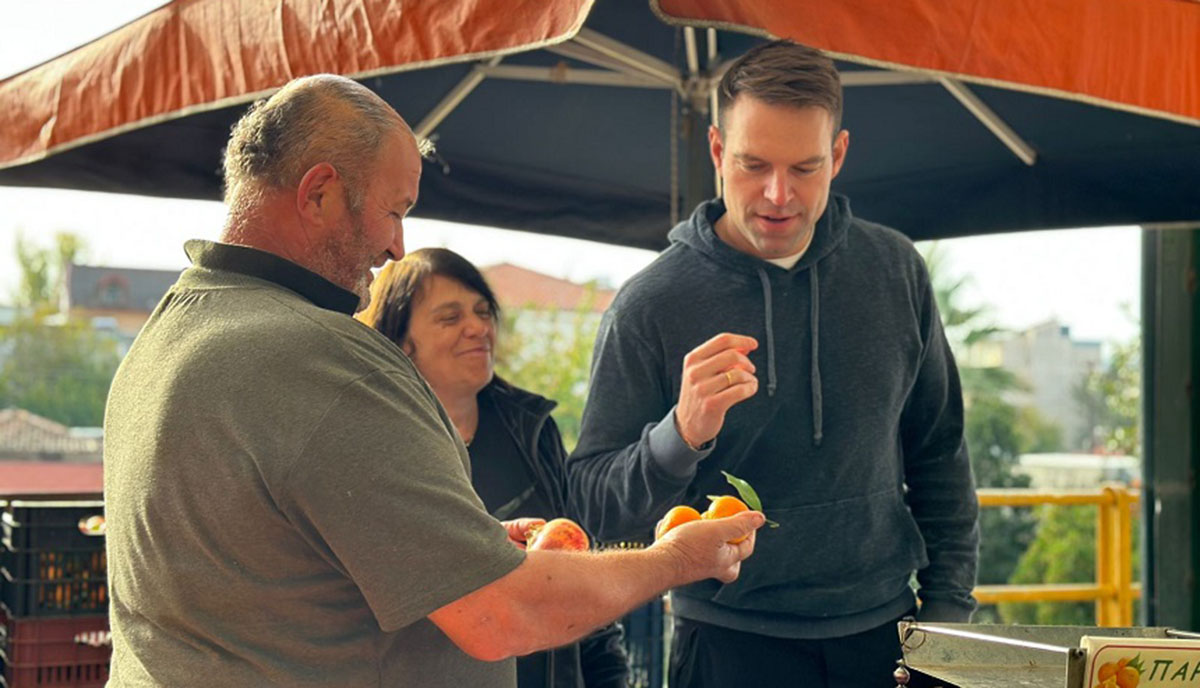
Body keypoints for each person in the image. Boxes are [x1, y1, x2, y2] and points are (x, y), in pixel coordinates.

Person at [102, 74, 765, 688]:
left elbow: (284, 563)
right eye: (394, 211)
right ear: (319, 193)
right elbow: (503, 618)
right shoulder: (322, 360)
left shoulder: (164, 334)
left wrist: (465, 544)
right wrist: (679, 560)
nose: (396, 246)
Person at [566, 40, 980, 688]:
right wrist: (680, 436)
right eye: (753, 165)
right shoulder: (651, 303)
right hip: (726, 644)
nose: (778, 194)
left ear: (838, 155)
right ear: (715, 153)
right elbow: (589, 504)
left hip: (889, 636)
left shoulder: (896, 270)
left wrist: (949, 619)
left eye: (806, 168)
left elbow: (941, 454)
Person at [357, 247, 630, 688]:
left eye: (483, 312)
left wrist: (610, 679)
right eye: (450, 317)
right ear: (401, 343)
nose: (478, 328)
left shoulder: (533, 430)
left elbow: (582, 568)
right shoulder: (374, 448)